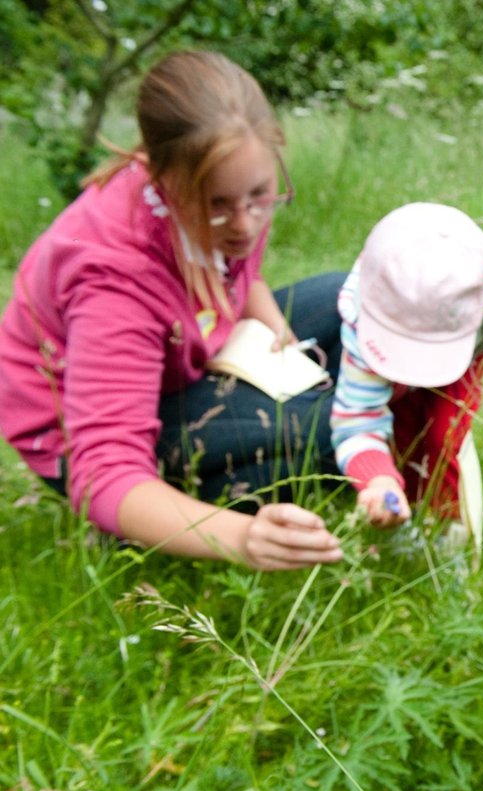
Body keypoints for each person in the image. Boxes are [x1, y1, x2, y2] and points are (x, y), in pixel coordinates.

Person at [0, 51, 347, 571]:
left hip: (183, 357)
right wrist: (243, 538)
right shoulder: (113, 278)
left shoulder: (227, 189)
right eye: (218, 206)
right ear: (164, 178)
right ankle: (159, 520)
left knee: (356, 303)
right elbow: (103, 472)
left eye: (260, 195)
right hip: (92, 426)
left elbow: (235, 270)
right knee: (339, 425)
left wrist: (271, 324)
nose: (247, 225)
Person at [331, 202, 483, 534]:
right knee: (403, 434)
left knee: (443, 435)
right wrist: (377, 480)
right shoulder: (364, 328)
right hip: (387, 370)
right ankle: (405, 507)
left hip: (463, 358)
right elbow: (356, 421)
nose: (419, 367)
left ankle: (447, 519)